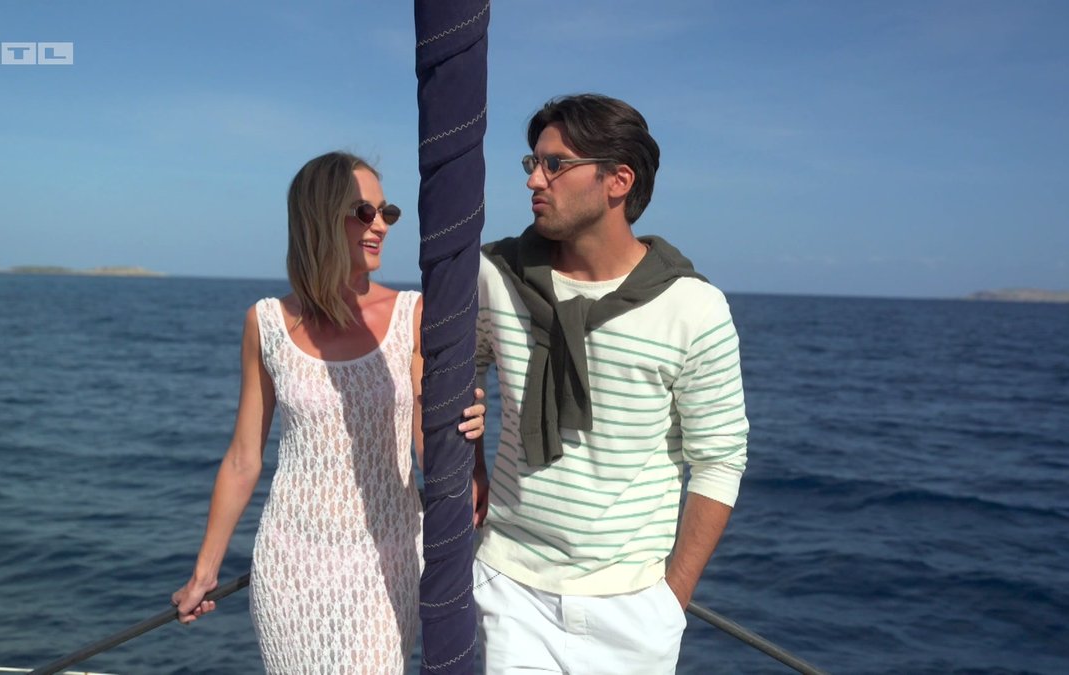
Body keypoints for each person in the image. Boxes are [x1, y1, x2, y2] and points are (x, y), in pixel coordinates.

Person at [171, 151, 486, 674]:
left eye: (387, 213)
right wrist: (205, 571)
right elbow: (244, 459)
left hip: (385, 560)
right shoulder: (266, 323)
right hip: (289, 564)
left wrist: (465, 437)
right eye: (365, 212)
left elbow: (426, 446)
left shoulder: (413, 314)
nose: (381, 225)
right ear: (319, 217)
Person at [471, 94, 750, 673]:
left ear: (618, 181)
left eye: (555, 164)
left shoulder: (693, 308)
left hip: (633, 607)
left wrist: (672, 597)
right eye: (533, 163)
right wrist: (466, 463)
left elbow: (719, 460)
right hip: (509, 586)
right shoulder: (493, 276)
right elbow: (445, 371)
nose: (534, 180)